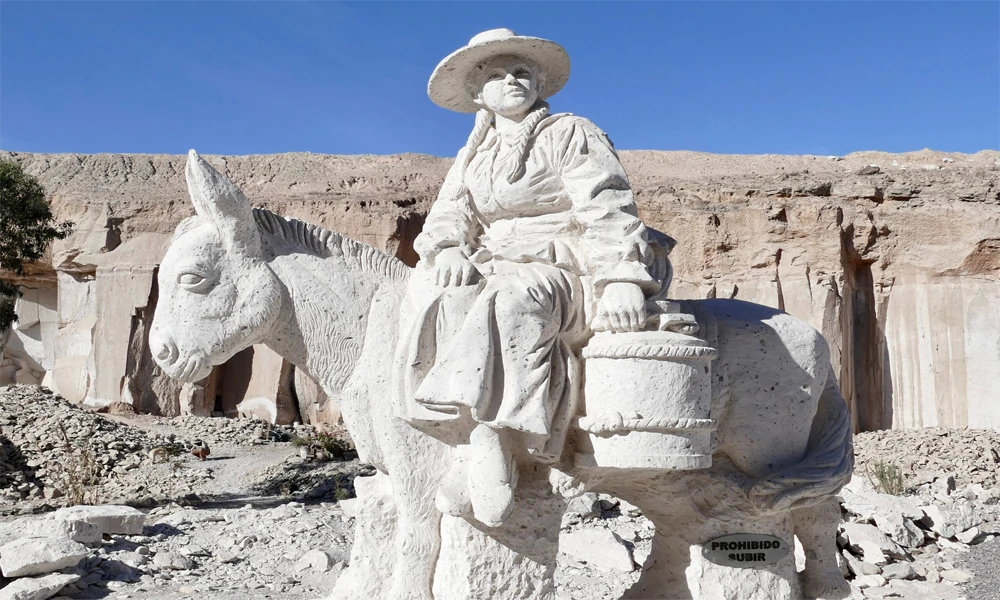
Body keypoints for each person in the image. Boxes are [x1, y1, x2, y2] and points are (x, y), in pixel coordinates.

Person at [395, 28, 665, 526]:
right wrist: (452, 247)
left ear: (539, 82)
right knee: (440, 299)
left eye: (521, 72)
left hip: (565, 261)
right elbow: (449, 214)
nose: (511, 80)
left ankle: (497, 437)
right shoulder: (473, 154)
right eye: (497, 75)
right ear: (479, 95)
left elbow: (607, 205)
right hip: (493, 259)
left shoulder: (571, 132)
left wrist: (622, 278)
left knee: (513, 297)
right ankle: (459, 438)